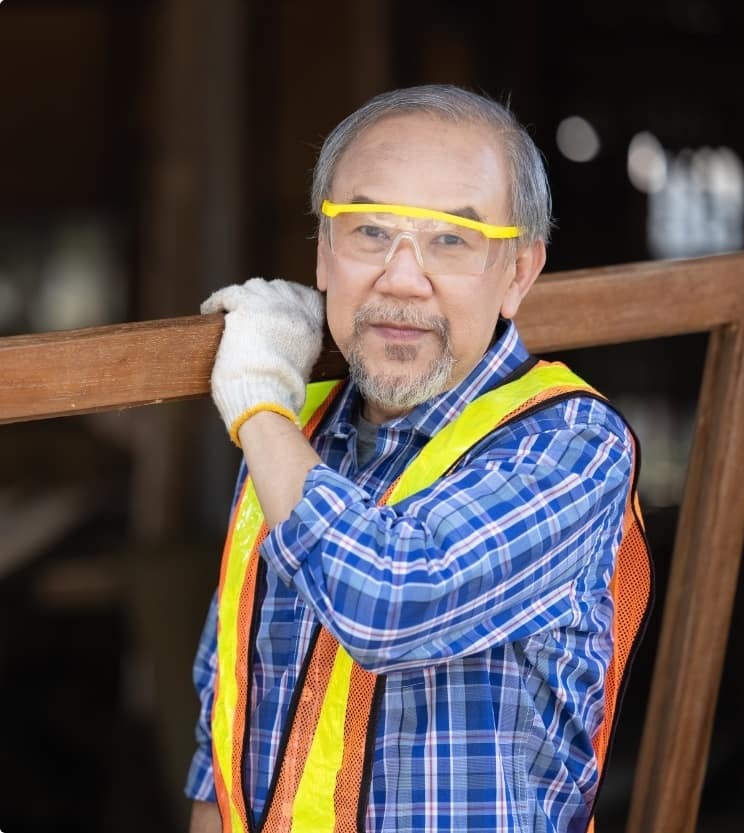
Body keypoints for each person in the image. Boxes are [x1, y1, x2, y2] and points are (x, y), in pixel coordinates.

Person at [185, 84, 650, 833]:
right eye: (369, 232)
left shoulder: (571, 445)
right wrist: (273, 414)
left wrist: (258, 405)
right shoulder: (295, 431)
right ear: (324, 255)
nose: (402, 279)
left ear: (519, 273)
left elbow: (388, 602)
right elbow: (227, 706)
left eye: (452, 241)